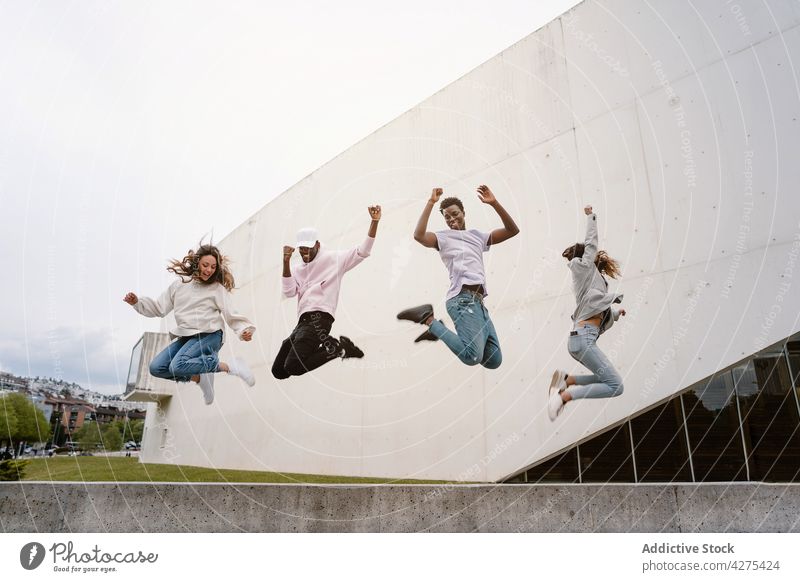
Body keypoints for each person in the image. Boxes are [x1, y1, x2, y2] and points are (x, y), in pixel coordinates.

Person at [396, 185, 519, 368]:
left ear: (463, 212)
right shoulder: (444, 238)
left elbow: (512, 230)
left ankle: (437, 330)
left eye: (455, 213)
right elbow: (419, 235)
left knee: (494, 360)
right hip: (461, 300)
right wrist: (431, 202)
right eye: (447, 217)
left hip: (478, 303)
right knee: (472, 357)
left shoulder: (478, 237)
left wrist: (494, 203)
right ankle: (429, 320)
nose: (452, 219)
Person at [124, 243, 256, 405]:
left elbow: (231, 313)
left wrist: (243, 330)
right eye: (205, 265)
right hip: (187, 337)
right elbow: (159, 308)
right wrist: (137, 302)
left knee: (177, 366)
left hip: (211, 334)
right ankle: (200, 377)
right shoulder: (179, 285)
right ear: (197, 263)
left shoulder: (216, 288)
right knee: (157, 368)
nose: (209, 270)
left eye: (213, 267)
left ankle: (231, 366)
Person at [272, 205, 382, 379]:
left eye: (308, 248)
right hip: (302, 323)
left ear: (316, 244)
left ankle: (338, 349)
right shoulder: (297, 268)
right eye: (301, 248)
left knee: (293, 366)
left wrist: (374, 222)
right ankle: (331, 345)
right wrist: (285, 262)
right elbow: (289, 292)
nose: (304, 252)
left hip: (319, 319)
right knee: (278, 371)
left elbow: (363, 250)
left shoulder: (334, 259)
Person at [547, 205, 626, 420]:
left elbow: (594, 306)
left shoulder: (591, 280)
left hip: (582, 338)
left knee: (606, 381)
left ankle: (567, 380)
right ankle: (565, 396)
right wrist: (591, 216)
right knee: (616, 386)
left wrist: (617, 314)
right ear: (586, 257)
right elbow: (591, 242)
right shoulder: (581, 267)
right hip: (583, 339)